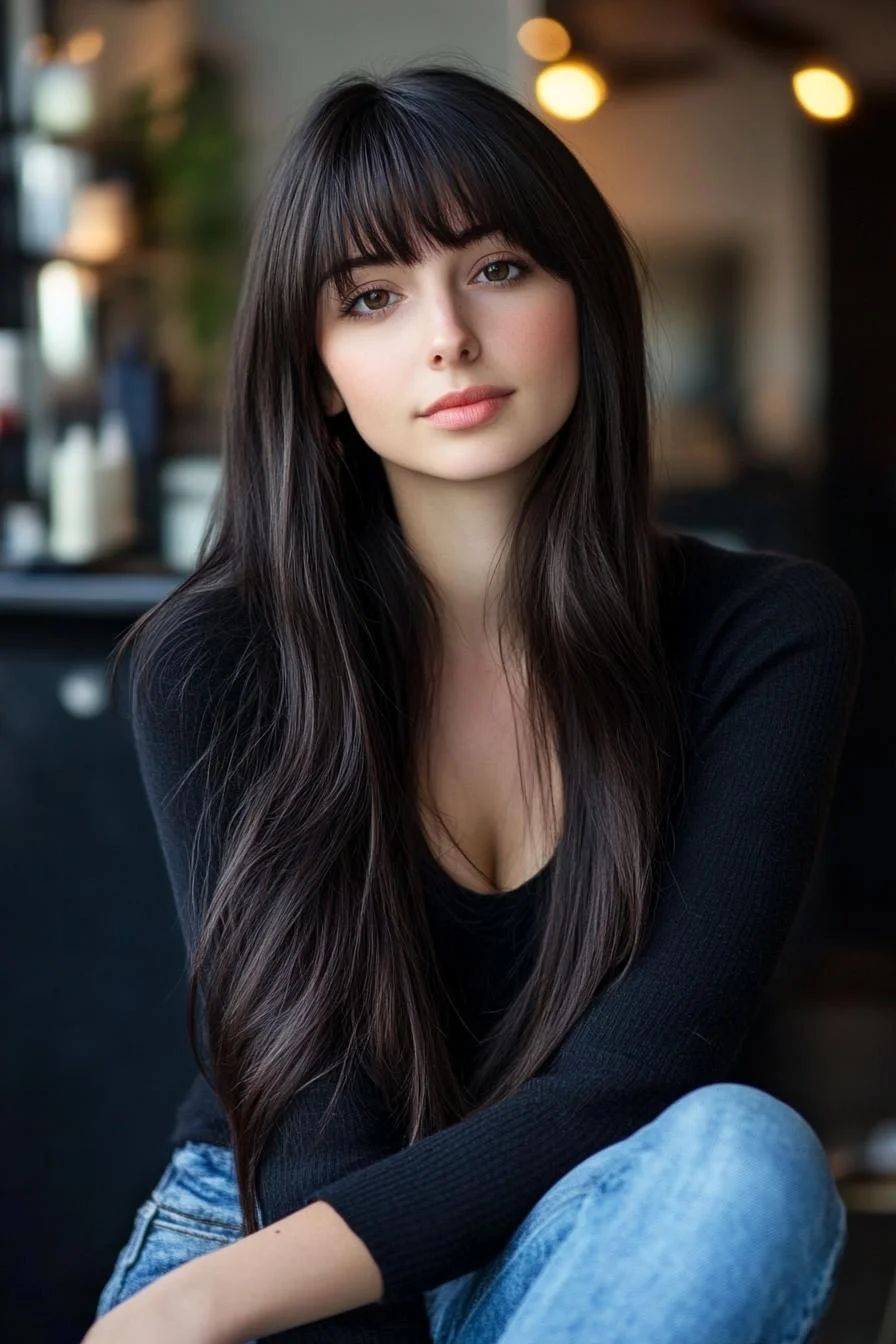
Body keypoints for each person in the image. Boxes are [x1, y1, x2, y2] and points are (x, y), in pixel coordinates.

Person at [83, 59, 863, 1344]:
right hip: (276, 1239)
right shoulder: (220, 659)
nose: (446, 333)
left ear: (584, 301)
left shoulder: (763, 633)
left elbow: (642, 1076)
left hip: (592, 1226)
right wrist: (211, 1294)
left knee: (741, 1149)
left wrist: (195, 1313)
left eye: (497, 268)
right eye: (374, 297)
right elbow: (315, 1131)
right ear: (320, 370)